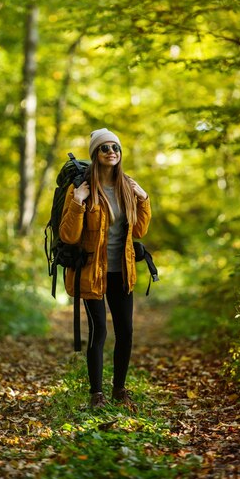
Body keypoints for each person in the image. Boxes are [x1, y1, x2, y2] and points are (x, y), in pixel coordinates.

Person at [59, 128, 151, 409]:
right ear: (95, 154)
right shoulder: (80, 189)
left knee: (126, 331)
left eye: (116, 148)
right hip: (91, 271)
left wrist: (143, 199)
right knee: (99, 330)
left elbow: (139, 230)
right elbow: (68, 235)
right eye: (105, 148)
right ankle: (96, 394)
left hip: (121, 271)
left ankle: (119, 390)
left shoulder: (128, 186)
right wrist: (77, 203)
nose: (112, 151)